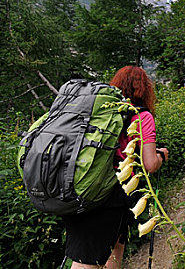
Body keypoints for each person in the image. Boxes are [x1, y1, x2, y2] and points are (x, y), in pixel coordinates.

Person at [63, 66, 169, 269]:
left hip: (82, 184)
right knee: (97, 258)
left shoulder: (100, 111)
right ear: (144, 89)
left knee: (91, 252)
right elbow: (149, 164)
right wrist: (161, 156)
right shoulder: (142, 116)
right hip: (113, 195)